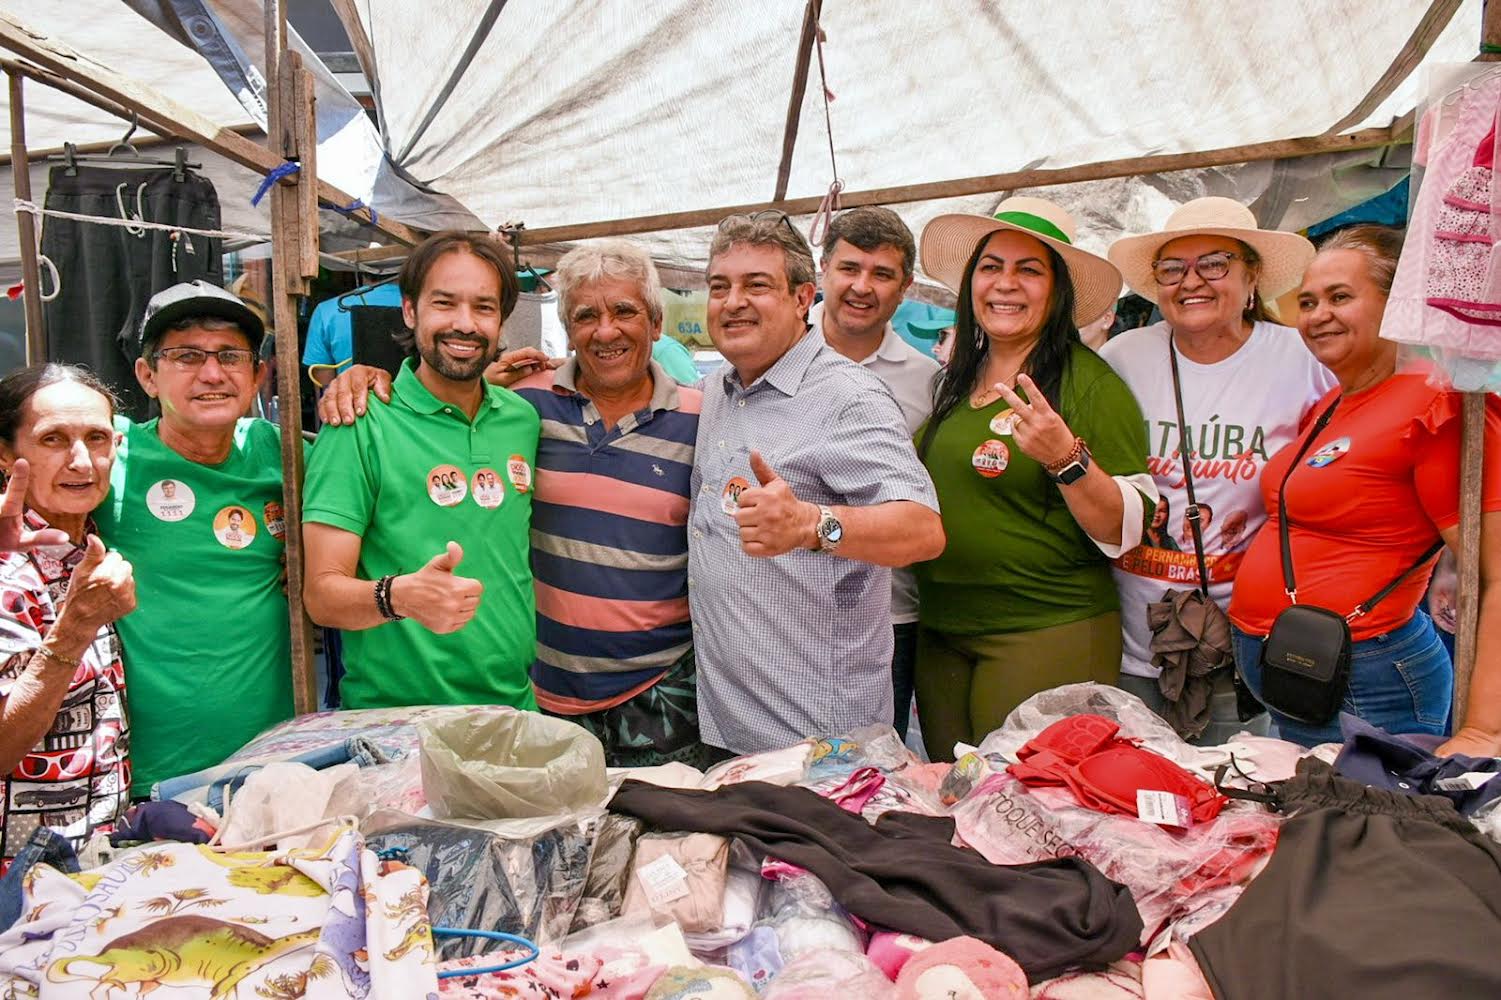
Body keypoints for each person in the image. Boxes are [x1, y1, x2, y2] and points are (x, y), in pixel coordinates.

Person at [1228, 225, 1501, 752]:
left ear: (1396, 304)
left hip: (1367, 685)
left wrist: (1483, 730)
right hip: (1301, 674)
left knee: (1367, 831)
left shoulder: (1437, 405)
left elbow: (1496, 573)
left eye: (1340, 297)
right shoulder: (1336, 400)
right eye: (1306, 301)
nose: (1316, 315)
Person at [690, 211, 945, 756]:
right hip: (724, 726)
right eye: (720, 287)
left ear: (804, 297)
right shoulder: (717, 389)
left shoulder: (847, 396)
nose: (733, 301)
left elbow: (922, 530)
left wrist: (811, 524)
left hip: (816, 742)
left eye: (757, 285)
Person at [913, 197, 1156, 762]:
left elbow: (1128, 529)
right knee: (955, 807)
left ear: (1057, 290)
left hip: (1044, 629)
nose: (1005, 284)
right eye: (991, 267)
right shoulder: (956, 380)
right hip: (944, 633)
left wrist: (1065, 458)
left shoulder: (1087, 385)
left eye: (1029, 270)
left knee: (1025, 816)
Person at [1100, 196, 1335, 739]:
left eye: (1214, 264)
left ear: (1252, 277)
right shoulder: (1123, 358)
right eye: (1173, 268)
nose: (1192, 282)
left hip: (1245, 639)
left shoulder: (1301, 359)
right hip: (1131, 636)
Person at [302, 231, 541, 710]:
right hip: (399, 728)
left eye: (484, 307)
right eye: (445, 303)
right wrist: (400, 596)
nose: (464, 324)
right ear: (410, 311)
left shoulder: (522, 419)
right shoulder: (359, 422)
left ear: (502, 320)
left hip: (514, 710)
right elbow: (321, 596)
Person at [91, 281, 297, 791]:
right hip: (150, 774)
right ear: (148, 376)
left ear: (256, 376)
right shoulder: (108, 458)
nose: (211, 373)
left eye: (230, 355)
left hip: (279, 762)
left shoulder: (284, 453)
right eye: (186, 356)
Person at [0, 365, 135, 878]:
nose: (81, 460)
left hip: (94, 864)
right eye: (53, 439)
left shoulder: (88, 542)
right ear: (6, 455)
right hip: (20, 883)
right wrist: (75, 627)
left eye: (96, 438)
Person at [813, 207, 941, 740]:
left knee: (869, 777)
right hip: (784, 609)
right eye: (849, 269)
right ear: (823, 270)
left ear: (905, 286)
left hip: (889, 619)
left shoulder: (927, 381)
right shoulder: (774, 356)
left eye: (882, 274)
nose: (862, 287)